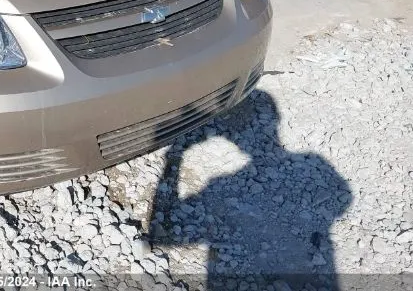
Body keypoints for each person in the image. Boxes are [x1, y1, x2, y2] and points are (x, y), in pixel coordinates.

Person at [148, 89, 352, 290]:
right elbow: (344, 198)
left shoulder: (218, 183)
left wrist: (174, 156)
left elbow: (167, 236)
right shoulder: (314, 161)